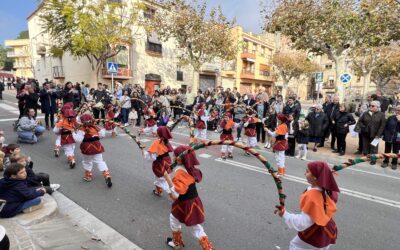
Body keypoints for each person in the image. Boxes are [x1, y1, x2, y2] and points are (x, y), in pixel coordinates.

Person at [275, 161, 339, 250]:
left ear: (316, 177)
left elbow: (302, 223)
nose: (304, 173)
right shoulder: (328, 188)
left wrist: (285, 214)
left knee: (295, 246)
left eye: (307, 171)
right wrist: (324, 174)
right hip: (328, 231)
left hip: (315, 234)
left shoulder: (313, 197)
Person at [165, 145, 213, 250]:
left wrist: (167, 179)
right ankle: (207, 247)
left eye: (174, 155)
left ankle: (177, 243)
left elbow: (175, 195)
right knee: (195, 226)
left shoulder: (180, 173)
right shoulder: (189, 167)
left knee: (175, 220)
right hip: (193, 201)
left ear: (180, 159)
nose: (172, 157)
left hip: (185, 203)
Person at [73, 114, 112, 187]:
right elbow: (102, 135)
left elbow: (79, 139)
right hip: (97, 146)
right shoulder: (95, 127)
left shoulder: (82, 129)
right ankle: (106, 174)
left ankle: (88, 175)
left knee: (87, 161)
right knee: (100, 161)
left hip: (87, 147)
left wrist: (73, 133)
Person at [144, 126, 173, 196]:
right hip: (168, 161)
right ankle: (159, 190)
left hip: (160, 164)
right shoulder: (166, 141)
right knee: (164, 178)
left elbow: (151, 157)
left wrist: (143, 151)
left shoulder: (157, 143)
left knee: (160, 179)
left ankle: (173, 193)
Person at [357, 100, 386, 165]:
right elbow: (360, 121)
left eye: (372, 106)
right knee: (365, 146)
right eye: (370, 105)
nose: (370, 107)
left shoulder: (381, 115)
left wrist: (378, 134)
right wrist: (363, 127)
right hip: (366, 133)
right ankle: (366, 157)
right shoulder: (366, 113)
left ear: (377, 107)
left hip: (375, 134)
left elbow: (382, 126)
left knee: (374, 148)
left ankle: (373, 159)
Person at [381, 105, 400, 169]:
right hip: (389, 137)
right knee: (387, 150)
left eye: (399, 110)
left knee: (395, 151)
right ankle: (386, 161)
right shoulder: (391, 117)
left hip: (397, 138)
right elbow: (385, 126)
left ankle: (394, 163)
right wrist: (385, 134)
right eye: (397, 110)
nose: (398, 111)